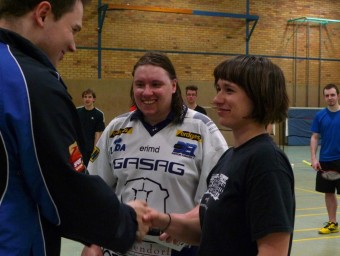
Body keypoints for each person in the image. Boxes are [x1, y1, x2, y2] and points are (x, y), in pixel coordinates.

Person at [0, 1, 151, 255]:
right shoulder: (28, 84)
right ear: (43, 14)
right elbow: (64, 189)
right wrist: (126, 220)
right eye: (74, 29)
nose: (73, 46)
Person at [145, 55, 296, 256]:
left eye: (229, 90)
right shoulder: (229, 157)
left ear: (259, 95)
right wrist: (160, 220)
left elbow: (273, 250)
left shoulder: (266, 161)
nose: (217, 99)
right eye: (218, 89)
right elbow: (207, 232)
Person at [82, 52, 228, 256]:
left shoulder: (201, 129)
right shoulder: (117, 128)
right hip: (121, 248)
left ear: (174, 86)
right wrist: (93, 243)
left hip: (182, 249)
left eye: (156, 84)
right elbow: (95, 192)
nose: (146, 92)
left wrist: (183, 223)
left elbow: (218, 197)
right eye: (139, 84)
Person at [310, 83, 340, 234]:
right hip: (326, 160)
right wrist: (314, 158)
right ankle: (332, 223)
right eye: (327, 95)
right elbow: (315, 137)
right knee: (329, 193)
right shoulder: (320, 116)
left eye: (332, 95)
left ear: (338, 96)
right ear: (324, 97)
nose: (330, 98)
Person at [77, 89, 105, 166]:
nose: (87, 99)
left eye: (89, 97)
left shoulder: (99, 114)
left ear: (94, 99)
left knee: (90, 170)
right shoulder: (77, 112)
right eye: (85, 97)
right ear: (82, 98)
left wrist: (95, 150)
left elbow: (98, 133)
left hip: (90, 149)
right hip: (78, 148)